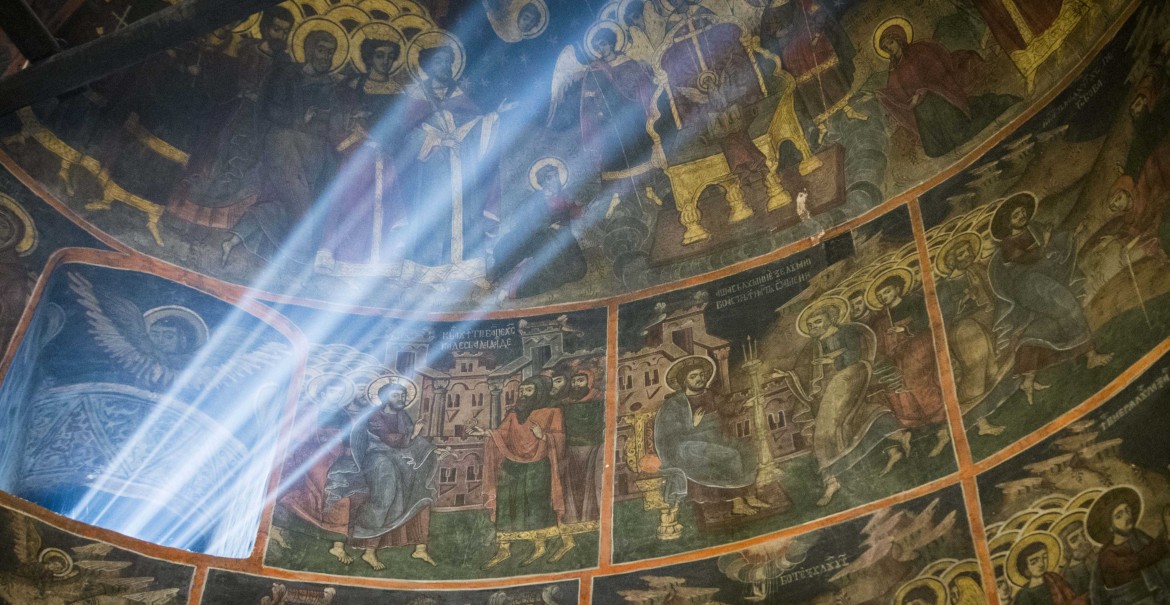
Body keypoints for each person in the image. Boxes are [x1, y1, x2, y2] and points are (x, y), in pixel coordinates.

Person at [224, 26, 345, 264]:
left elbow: (336, 123)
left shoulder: (332, 87)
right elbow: (270, 108)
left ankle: (236, 240)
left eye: (330, 52)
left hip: (316, 154)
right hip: (285, 144)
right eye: (321, 50)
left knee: (288, 204)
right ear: (309, 50)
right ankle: (300, 250)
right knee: (298, 200)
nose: (326, 57)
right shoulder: (288, 76)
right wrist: (300, 119)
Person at [168, 6, 294, 229]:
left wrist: (261, 101)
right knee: (206, 165)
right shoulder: (244, 49)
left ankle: (207, 229)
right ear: (265, 27)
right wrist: (237, 89)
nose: (280, 36)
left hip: (252, 128)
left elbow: (283, 102)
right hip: (225, 115)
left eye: (285, 32)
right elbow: (222, 77)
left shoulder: (284, 66)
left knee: (232, 176)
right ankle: (178, 217)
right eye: (277, 29)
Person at [772, 297, 904, 506]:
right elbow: (804, 370)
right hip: (826, 392)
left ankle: (831, 481)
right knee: (856, 419)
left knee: (825, 430)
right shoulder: (812, 347)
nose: (814, 327)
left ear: (830, 318)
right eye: (810, 325)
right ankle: (894, 444)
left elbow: (855, 358)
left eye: (818, 321)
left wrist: (833, 359)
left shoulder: (847, 332)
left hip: (848, 379)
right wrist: (788, 375)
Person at [987, 193, 1112, 404]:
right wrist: (1045, 243)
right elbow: (1029, 259)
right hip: (1029, 285)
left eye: (1022, 212)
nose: (1021, 215)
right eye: (1015, 215)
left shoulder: (1034, 229)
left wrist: (1072, 234)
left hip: (1042, 280)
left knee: (1044, 324)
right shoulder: (1008, 244)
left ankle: (1028, 378)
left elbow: (1053, 244)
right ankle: (1090, 354)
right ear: (1007, 222)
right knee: (1068, 305)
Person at [315, 32, 413, 277]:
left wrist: (384, 140)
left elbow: (402, 126)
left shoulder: (399, 92)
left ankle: (378, 260)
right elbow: (337, 121)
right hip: (353, 153)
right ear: (369, 58)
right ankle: (342, 257)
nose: (385, 61)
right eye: (380, 56)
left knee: (384, 202)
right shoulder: (350, 89)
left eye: (390, 57)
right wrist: (355, 138)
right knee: (348, 201)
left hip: (385, 155)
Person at [874, 18, 1019, 158]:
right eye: (885, 47)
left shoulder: (919, 51)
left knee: (959, 133)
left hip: (939, 96)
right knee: (934, 150)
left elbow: (938, 70)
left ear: (899, 39)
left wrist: (922, 91)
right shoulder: (894, 69)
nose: (889, 48)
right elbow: (895, 92)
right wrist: (880, 94)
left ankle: (994, 105)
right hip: (922, 110)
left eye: (890, 43)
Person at [347, 379, 445, 570]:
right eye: (396, 395)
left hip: (399, 458)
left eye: (403, 395)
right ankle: (369, 551)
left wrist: (431, 450)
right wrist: (414, 434)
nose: (401, 398)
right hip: (377, 458)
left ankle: (420, 548)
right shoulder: (374, 416)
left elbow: (411, 442)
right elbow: (391, 439)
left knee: (423, 489)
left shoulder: (403, 416)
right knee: (386, 493)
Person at [654, 355, 768, 517]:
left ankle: (750, 496)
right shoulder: (675, 403)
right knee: (730, 456)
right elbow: (669, 433)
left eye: (701, 375)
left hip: (716, 438)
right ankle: (737, 503)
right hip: (690, 445)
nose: (699, 379)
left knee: (747, 450)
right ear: (684, 381)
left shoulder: (710, 394)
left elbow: (726, 408)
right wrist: (692, 423)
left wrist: (744, 404)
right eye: (693, 376)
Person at [472, 376, 565, 569]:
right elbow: (502, 433)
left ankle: (539, 546)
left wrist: (543, 436)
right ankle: (504, 549)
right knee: (506, 503)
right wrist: (485, 432)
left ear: (539, 392)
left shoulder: (552, 412)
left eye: (529, 390)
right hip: (512, 464)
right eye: (522, 390)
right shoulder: (514, 414)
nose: (523, 394)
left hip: (538, 465)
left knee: (535, 503)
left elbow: (560, 439)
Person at [866, 269, 950, 462]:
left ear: (897, 289)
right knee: (893, 383)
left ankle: (939, 418)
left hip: (919, 341)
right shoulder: (882, 318)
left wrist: (905, 328)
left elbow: (926, 320)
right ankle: (918, 425)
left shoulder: (913, 301)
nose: (884, 297)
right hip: (897, 353)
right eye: (880, 295)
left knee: (913, 377)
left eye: (886, 291)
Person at [487, 160, 587, 299]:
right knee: (550, 267)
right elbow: (526, 225)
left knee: (579, 269)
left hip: (564, 240)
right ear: (542, 182)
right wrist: (550, 226)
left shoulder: (564, 197)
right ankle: (517, 286)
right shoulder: (534, 200)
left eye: (556, 176)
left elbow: (574, 212)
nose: (556, 180)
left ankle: (527, 270)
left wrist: (581, 210)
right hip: (541, 240)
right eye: (550, 177)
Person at [550, 368, 604, 561]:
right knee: (572, 487)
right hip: (571, 449)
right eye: (574, 381)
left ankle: (593, 518)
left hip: (593, 447)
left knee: (591, 484)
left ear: (589, 381)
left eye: (580, 380)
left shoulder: (598, 399)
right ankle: (573, 520)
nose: (576, 385)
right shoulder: (565, 404)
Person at [1086, 486, 1170, 605]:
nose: (1127, 516)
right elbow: (1136, 562)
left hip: (1154, 596)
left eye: (1127, 510)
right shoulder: (1107, 554)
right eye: (1119, 516)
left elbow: (1160, 556)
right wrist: (1165, 537)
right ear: (1110, 527)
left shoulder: (1137, 536)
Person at [1008, 532, 1086, 605]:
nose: (1041, 564)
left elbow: (1072, 599)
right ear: (1026, 569)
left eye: (1044, 557)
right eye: (1034, 562)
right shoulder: (1023, 595)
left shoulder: (1054, 578)